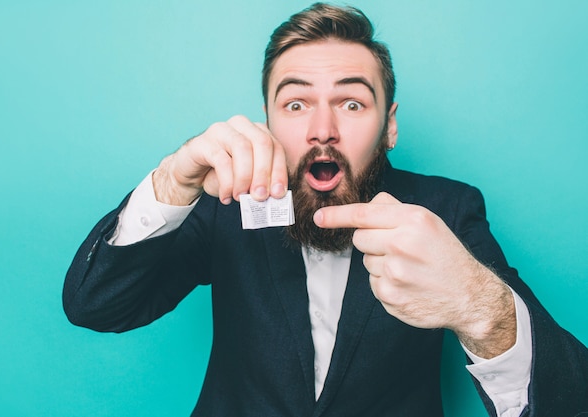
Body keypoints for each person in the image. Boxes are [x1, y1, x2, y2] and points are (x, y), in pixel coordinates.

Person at [63, 3, 588, 416]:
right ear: (267, 120)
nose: (321, 128)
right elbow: (95, 306)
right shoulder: (227, 205)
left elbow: (569, 395)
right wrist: (172, 182)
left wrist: (481, 307)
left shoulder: (444, 210)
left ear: (390, 126)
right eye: (295, 104)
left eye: (352, 102)